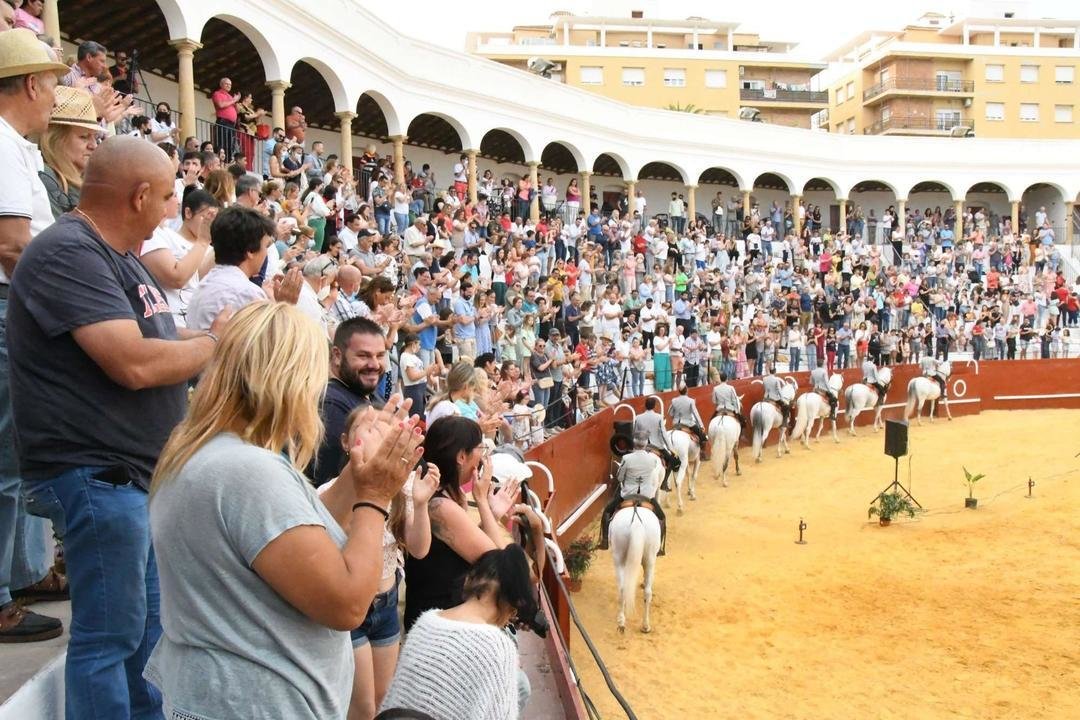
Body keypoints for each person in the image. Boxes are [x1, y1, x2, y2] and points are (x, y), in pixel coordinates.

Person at [9, 137, 229, 716]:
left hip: (130, 478)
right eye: (163, 198)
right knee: (110, 637)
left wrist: (221, 337)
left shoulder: (119, 255)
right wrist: (214, 345)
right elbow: (133, 363)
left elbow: (160, 338)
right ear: (137, 196)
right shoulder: (68, 252)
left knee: (145, 629)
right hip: (96, 475)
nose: (167, 213)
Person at [146, 302, 422, 719]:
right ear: (289, 378)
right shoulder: (248, 471)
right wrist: (375, 495)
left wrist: (359, 469)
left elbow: (300, 534)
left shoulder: (212, 453)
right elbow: (347, 605)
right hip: (255, 704)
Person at [0, 27, 70, 644]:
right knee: (5, 457)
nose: (54, 96)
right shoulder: (0, 144)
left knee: (15, 457)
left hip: (15, 306)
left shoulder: (15, 145)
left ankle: (19, 573)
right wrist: (62, 312)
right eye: (51, 83)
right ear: (29, 83)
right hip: (12, 306)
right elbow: (13, 246)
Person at [318, 403, 441, 720]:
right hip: (352, 609)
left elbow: (419, 549)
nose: (377, 429)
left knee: (382, 697)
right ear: (346, 441)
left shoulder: (401, 492)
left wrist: (421, 502)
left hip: (385, 604)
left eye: (382, 425)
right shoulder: (331, 493)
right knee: (362, 707)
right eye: (368, 425)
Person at [403, 416, 539, 631]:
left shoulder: (447, 495)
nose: (484, 455)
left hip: (443, 614)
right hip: (442, 623)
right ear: (462, 456)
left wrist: (491, 514)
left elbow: (461, 547)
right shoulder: (441, 507)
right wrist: (484, 504)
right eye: (480, 447)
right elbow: (506, 566)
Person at [381, 545, 538, 720]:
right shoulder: (499, 647)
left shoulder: (425, 621)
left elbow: (394, 702)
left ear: (467, 581)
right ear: (513, 608)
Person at [313, 317, 388, 487]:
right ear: (337, 355)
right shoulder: (330, 406)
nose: (375, 364)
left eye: (380, 355)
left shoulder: (369, 395)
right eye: (363, 356)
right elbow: (333, 485)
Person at [140, 188, 218, 328]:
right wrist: (203, 241)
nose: (178, 201)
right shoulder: (154, 234)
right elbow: (176, 278)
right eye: (173, 195)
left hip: (194, 320)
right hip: (172, 323)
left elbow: (197, 276)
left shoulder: (171, 235)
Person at [597, 431, 666, 554]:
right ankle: (660, 548)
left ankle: (605, 540)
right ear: (646, 444)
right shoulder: (653, 460)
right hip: (647, 496)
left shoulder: (626, 458)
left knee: (607, 511)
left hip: (627, 495)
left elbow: (620, 478)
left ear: (634, 443)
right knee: (661, 517)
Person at [38, 85, 100, 217]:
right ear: (55, 139)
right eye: (84, 136)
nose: (94, 145)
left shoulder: (88, 182)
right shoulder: (45, 178)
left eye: (95, 137)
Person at [633, 396, 678, 490]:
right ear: (654, 406)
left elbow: (635, 434)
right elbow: (664, 434)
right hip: (656, 446)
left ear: (645, 406)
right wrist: (671, 449)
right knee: (671, 460)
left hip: (642, 446)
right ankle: (664, 483)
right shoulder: (659, 417)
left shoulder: (638, 418)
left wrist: (635, 449)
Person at [668, 384, 707, 458]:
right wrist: (701, 426)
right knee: (703, 437)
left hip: (676, 424)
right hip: (688, 424)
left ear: (679, 391)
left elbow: (670, 413)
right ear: (687, 390)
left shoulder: (674, 400)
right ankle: (703, 453)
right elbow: (696, 414)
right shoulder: (691, 401)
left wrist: (676, 417)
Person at [761, 363, 791, 427]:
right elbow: (779, 390)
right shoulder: (776, 380)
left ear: (769, 371)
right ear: (775, 372)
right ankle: (784, 423)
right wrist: (782, 399)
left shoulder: (764, 379)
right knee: (786, 407)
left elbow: (765, 387)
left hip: (766, 397)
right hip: (774, 398)